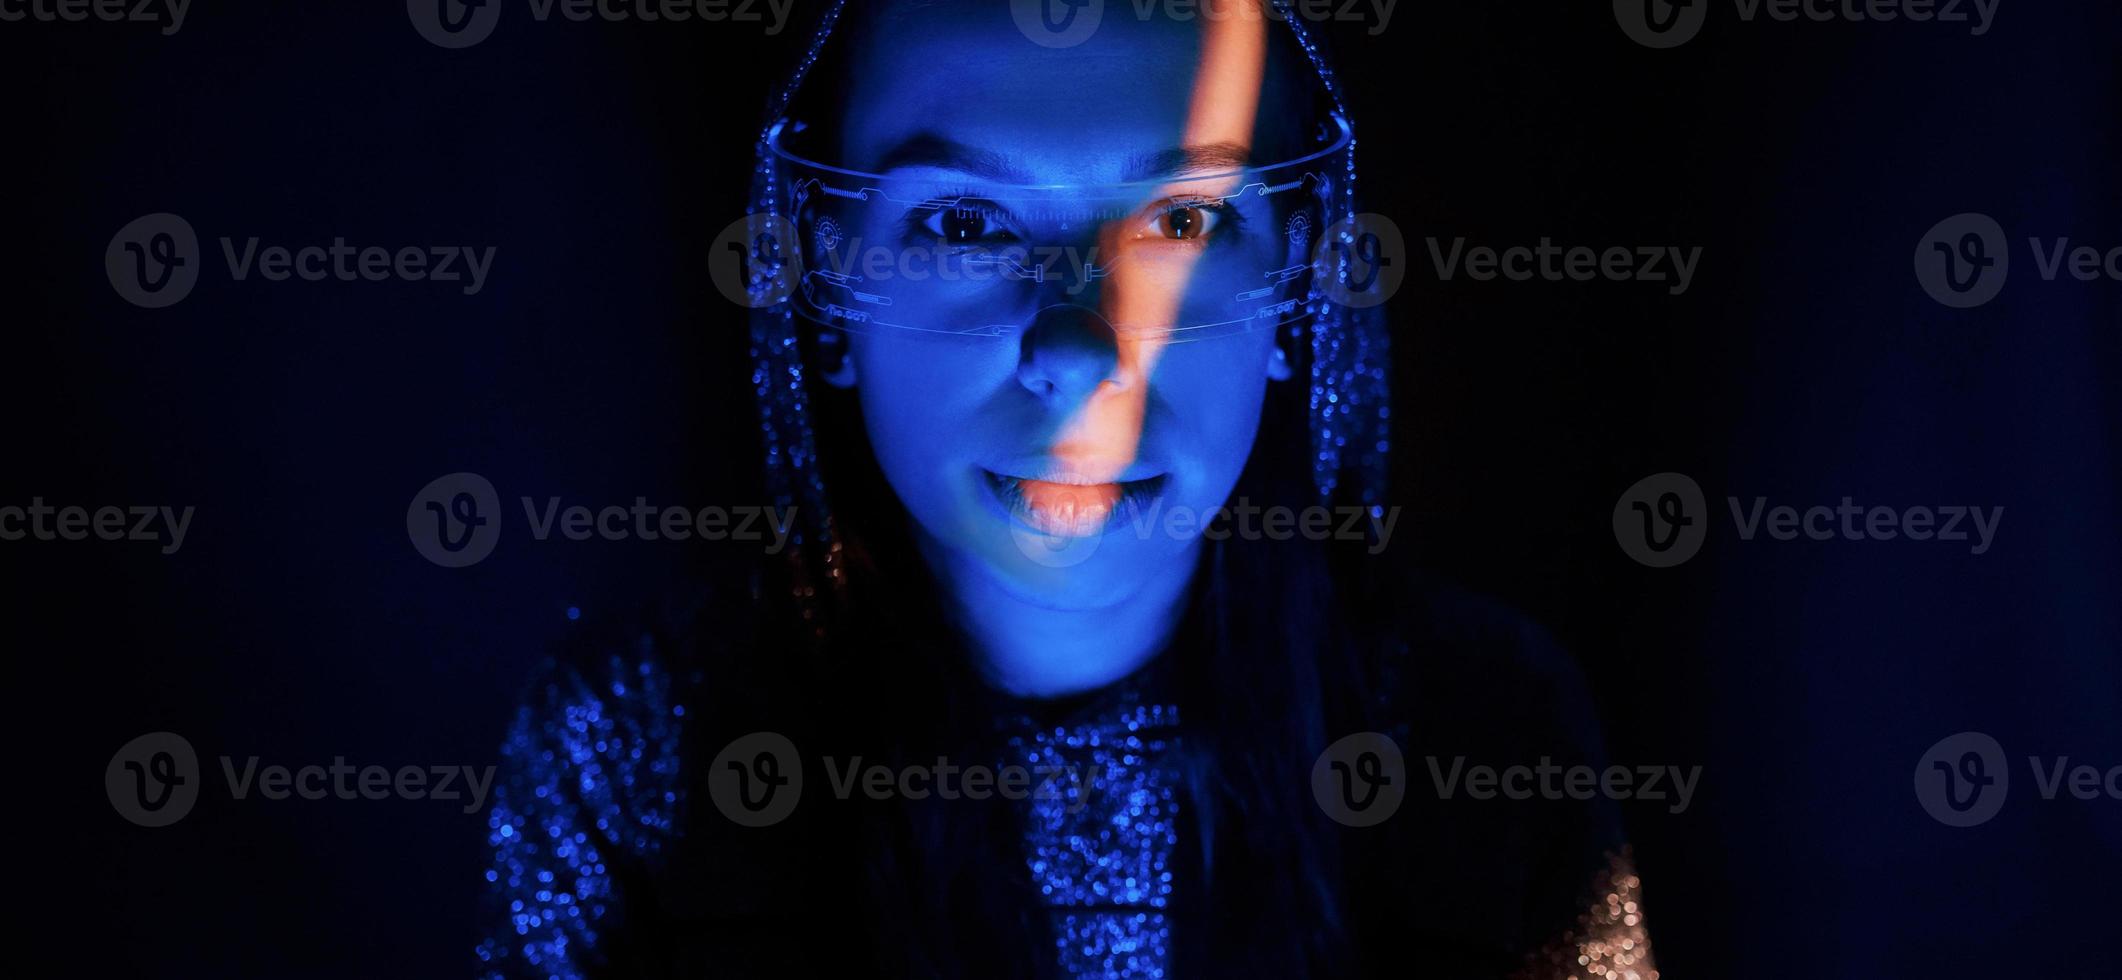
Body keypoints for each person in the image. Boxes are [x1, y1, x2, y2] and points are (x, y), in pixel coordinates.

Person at [478, 2, 1659, 977]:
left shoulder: (1482, 723)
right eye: (961, 222)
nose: (1081, 351)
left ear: (1296, 283)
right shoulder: (634, 744)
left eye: (1182, 221)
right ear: (828, 282)